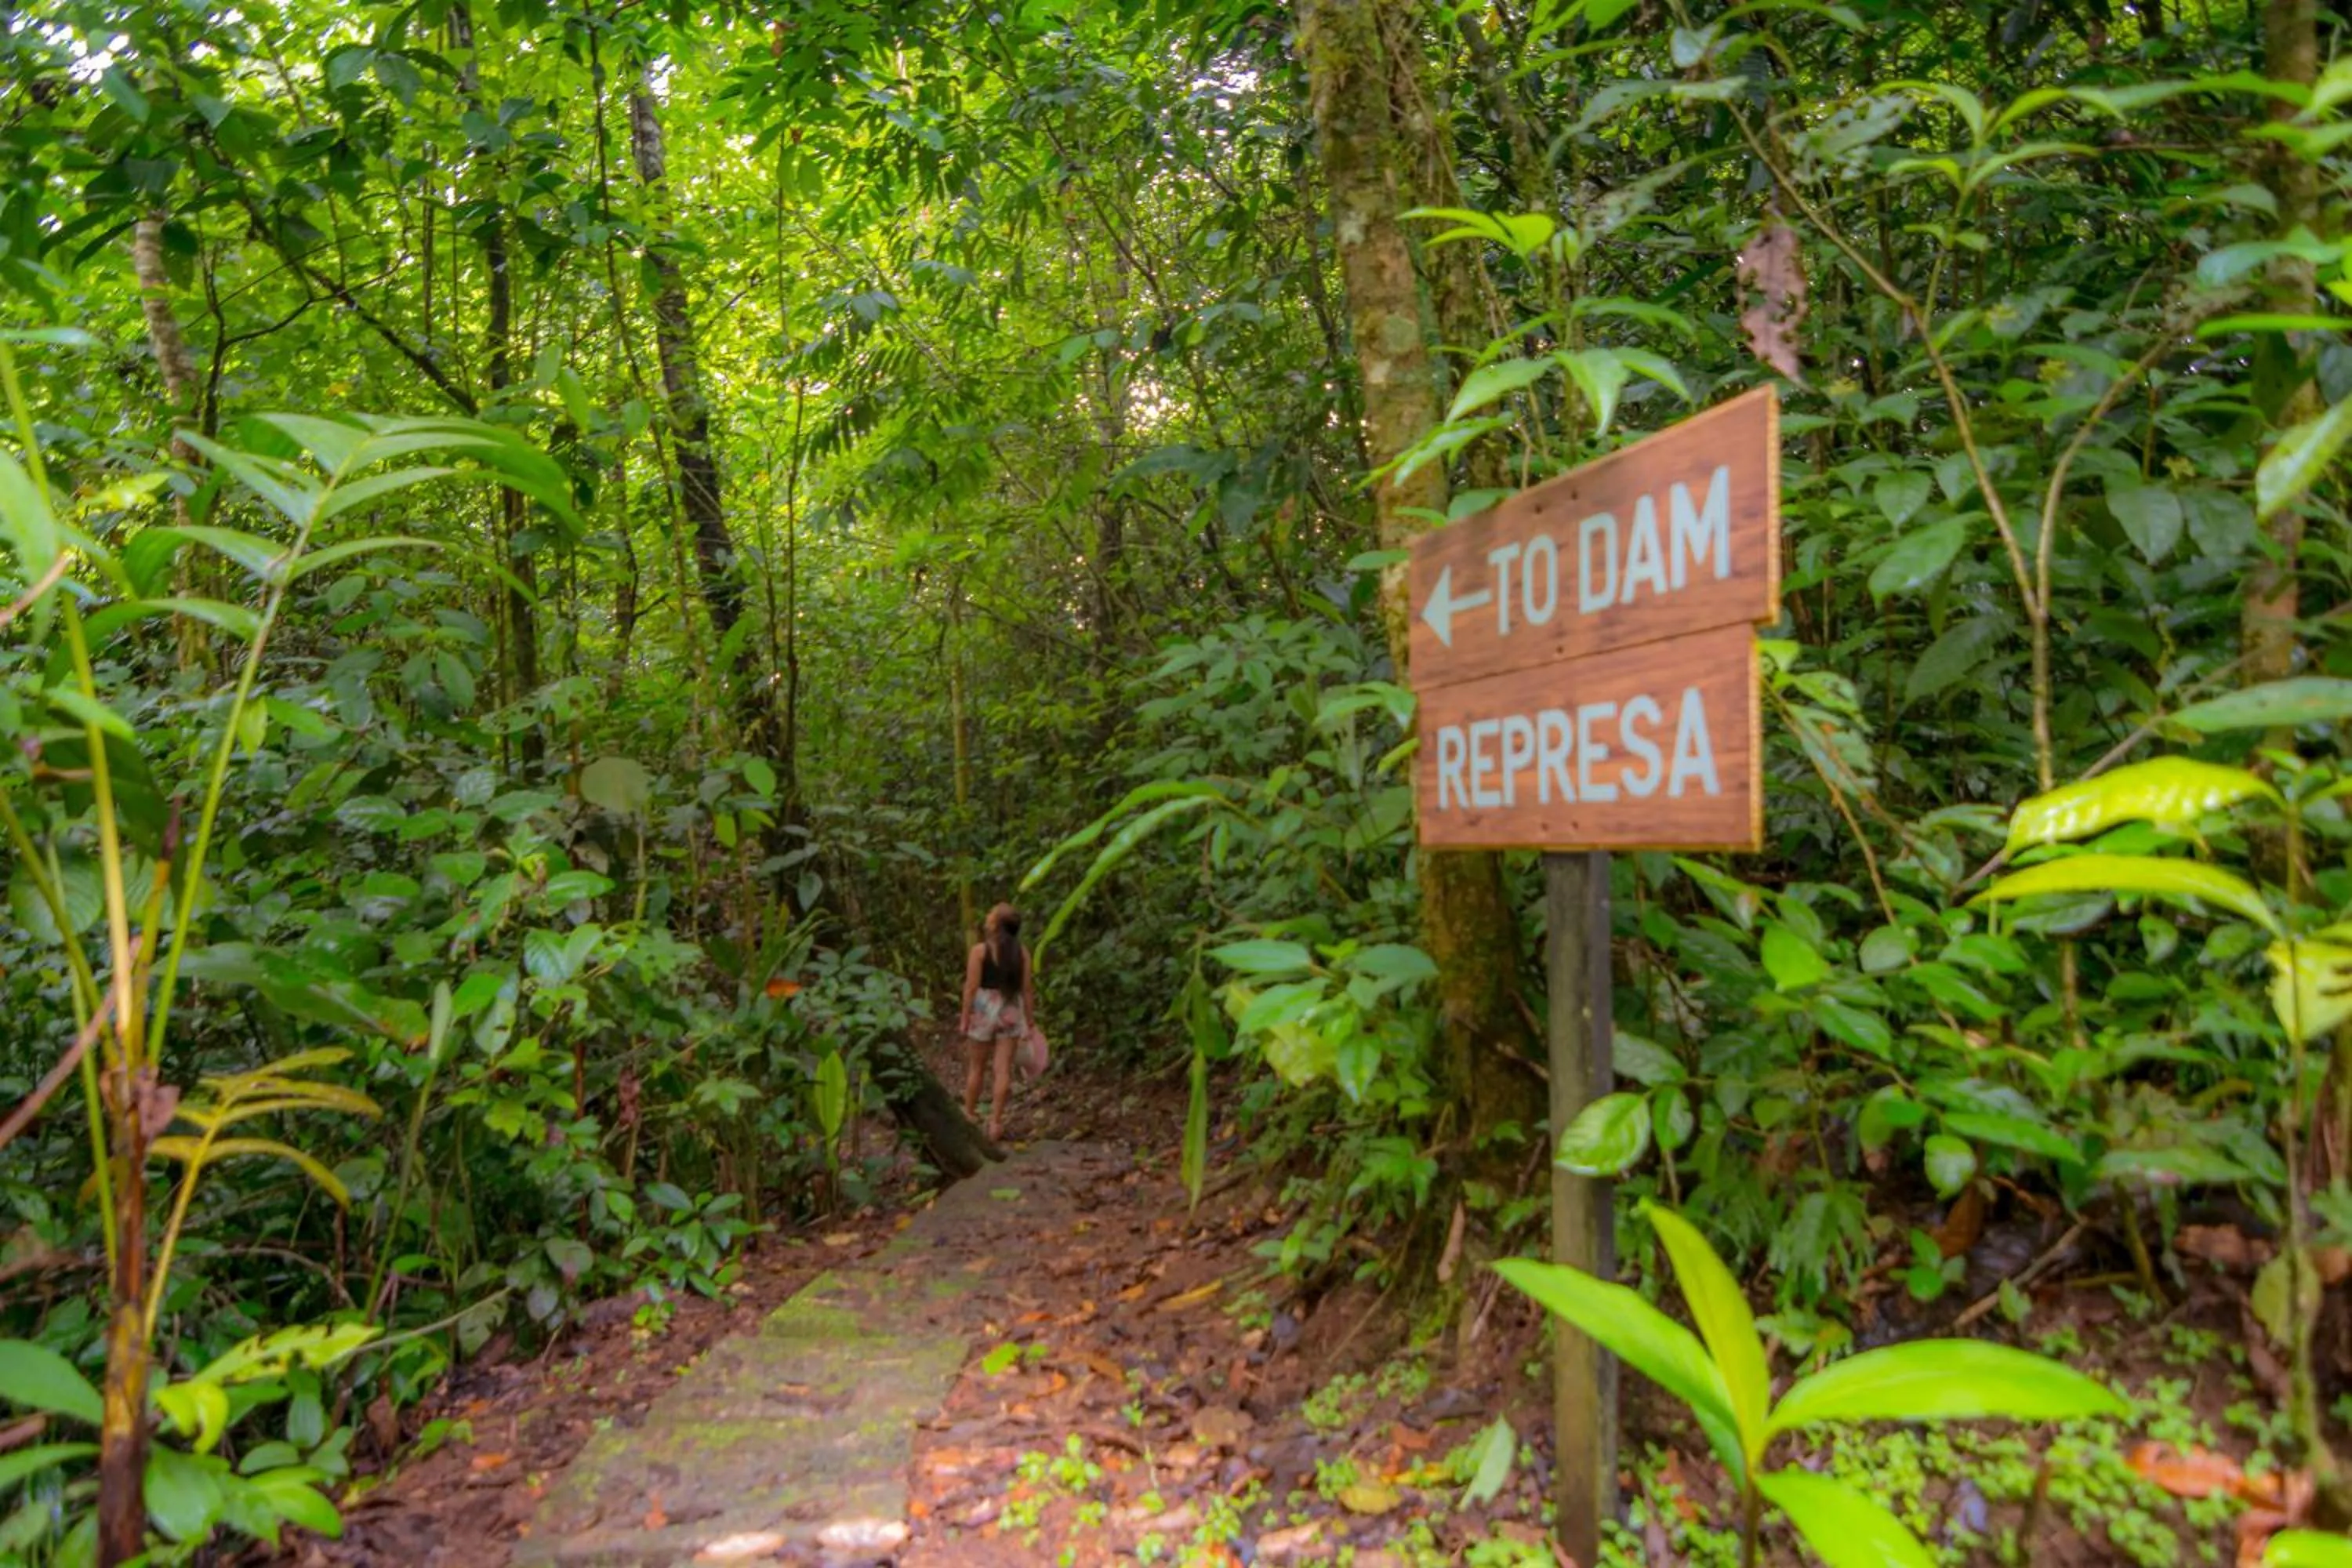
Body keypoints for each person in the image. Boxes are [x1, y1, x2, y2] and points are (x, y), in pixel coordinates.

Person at [960, 903, 1038, 1141]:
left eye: (990, 915)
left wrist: (965, 1017)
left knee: (976, 1066)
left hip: (984, 1008)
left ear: (995, 925)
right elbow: (1027, 990)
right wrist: (1030, 1021)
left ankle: (969, 1115)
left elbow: (971, 987)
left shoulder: (979, 952)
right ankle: (995, 1123)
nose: (987, 917)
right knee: (1002, 1070)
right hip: (1011, 1008)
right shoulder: (1022, 953)